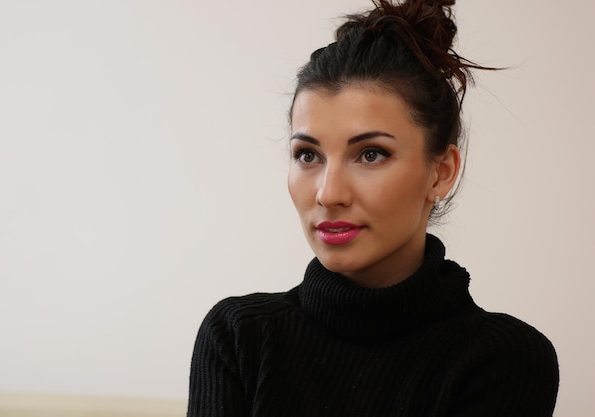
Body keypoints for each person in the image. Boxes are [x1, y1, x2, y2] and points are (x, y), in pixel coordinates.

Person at [186, 0, 560, 415]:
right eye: (308, 156)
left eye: (370, 155)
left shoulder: (504, 360)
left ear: (441, 172)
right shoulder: (239, 335)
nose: (329, 194)